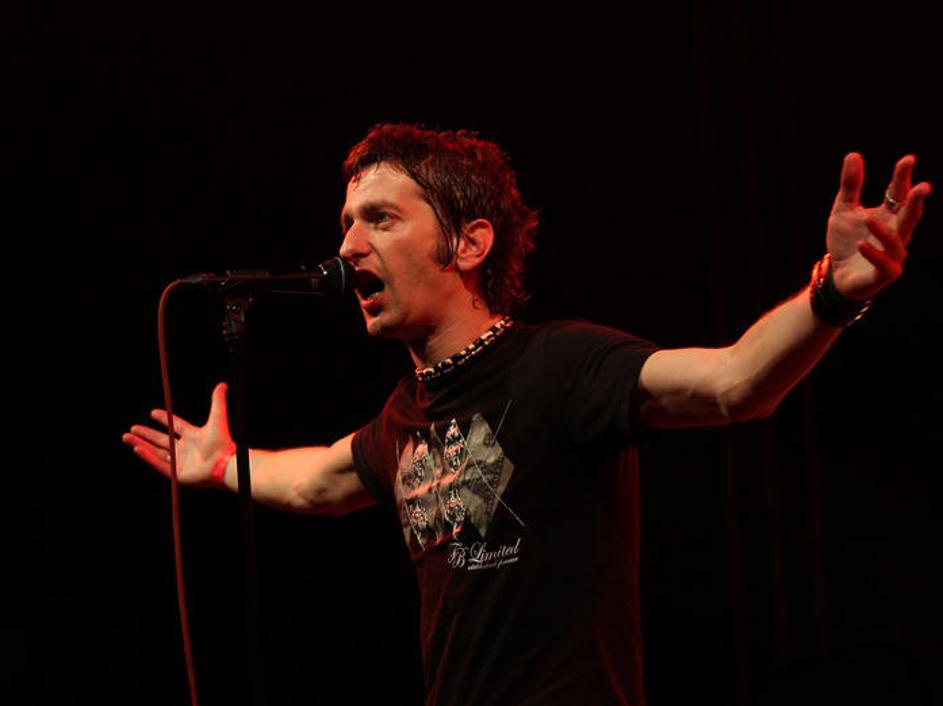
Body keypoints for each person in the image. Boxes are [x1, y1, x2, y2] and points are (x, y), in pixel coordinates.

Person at [122, 123, 931, 706]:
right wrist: (221, 465)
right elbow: (317, 481)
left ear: (468, 244)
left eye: (380, 219)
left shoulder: (556, 366)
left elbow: (731, 383)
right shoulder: (402, 416)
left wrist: (832, 294)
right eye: (346, 225)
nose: (348, 248)